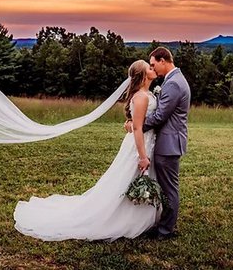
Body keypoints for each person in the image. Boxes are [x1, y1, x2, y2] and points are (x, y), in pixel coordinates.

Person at [13, 60, 161, 241]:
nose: (153, 69)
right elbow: (138, 128)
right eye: (149, 67)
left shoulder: (147, 94)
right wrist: (142, 156)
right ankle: (120, 218)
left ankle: (141, 215)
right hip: (139, 145)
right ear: (143, 75)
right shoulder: (141, 97)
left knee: (132, 179)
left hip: (147, 141)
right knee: (126, 179)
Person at [126, 47, 190, 240]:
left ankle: (165, 231)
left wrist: (136, 125)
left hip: (168, 143)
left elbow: (160, 115)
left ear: (163, 60)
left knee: (169, 188)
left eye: (153, 64)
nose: (152, 68)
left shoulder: (173, 84)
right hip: (166, 141)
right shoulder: (173, 80)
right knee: (166, 186)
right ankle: (161, 224)